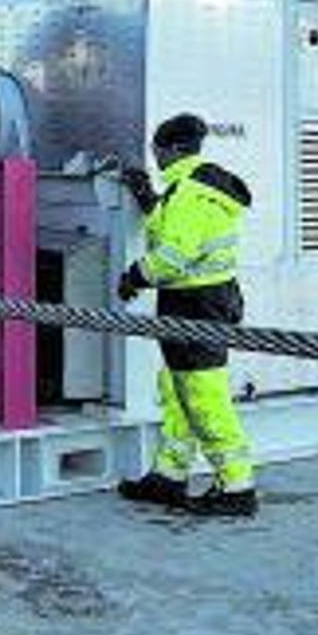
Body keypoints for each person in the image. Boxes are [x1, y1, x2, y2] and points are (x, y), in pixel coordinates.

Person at [115, 113, 258, 517]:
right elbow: (172, 228)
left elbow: (174, 257)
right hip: (198, 302)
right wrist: (148, 199)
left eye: (157, 150)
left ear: (174, 149)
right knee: (178, 393)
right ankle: (169, 476)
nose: (155, 157)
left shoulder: (191, 194)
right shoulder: (188, 187)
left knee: (204, 398)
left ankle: (237, 488)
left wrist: (135, 276)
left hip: (198, 305)